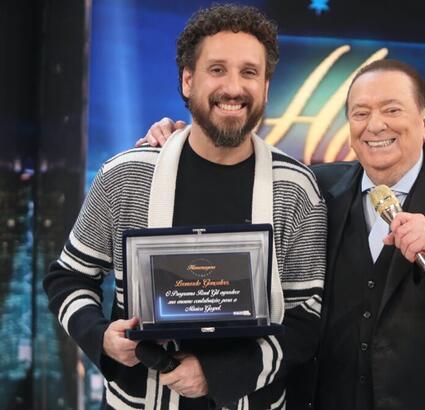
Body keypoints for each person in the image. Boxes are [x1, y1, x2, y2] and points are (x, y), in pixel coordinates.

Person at [142, 59, 425, 409]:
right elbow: (239, 171)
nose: (375, 125)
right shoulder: (317, 188)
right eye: (360, 113)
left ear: (424, 120)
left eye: (392, 110)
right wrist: (181, 140)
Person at [43, 4, 327, 410]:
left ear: (265, 87)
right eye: (217, 70)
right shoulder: (126, 176)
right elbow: (68, 278)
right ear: (187, 80)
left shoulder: (296, 189)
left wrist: (217, 373)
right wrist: (101, 335)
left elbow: (306, 318)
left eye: (249, 72)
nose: (234, 87)